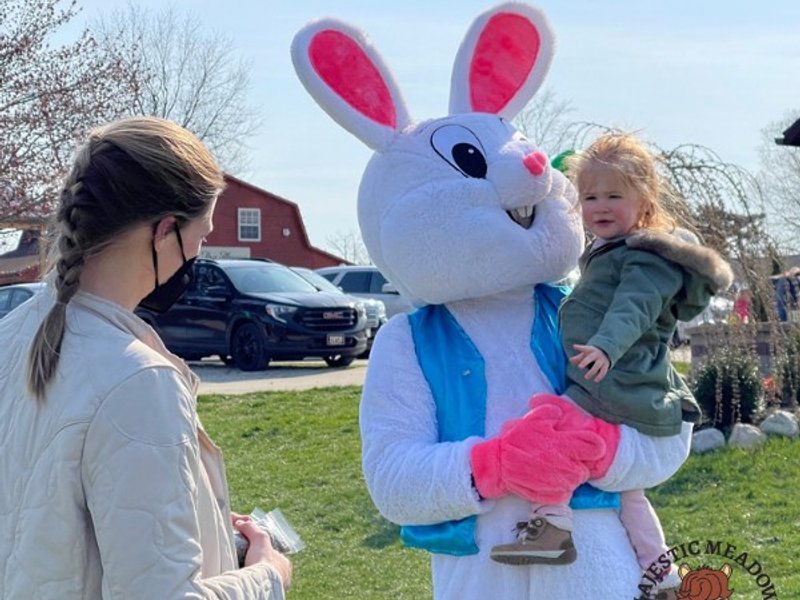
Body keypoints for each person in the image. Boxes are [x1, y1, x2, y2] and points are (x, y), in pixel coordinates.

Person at [0, 117, 291, 599]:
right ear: (166, 231)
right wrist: (268, 575)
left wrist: (206, 524)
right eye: (201, 236)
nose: (199, 254)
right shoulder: (136, 380)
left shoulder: (11, 334)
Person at [489, 133, 732, 593]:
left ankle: (553, 526)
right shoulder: (611, 251)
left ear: (644, 201)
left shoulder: (647, 257)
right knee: (630, 494)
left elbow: (633, 307)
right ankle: (662, 574)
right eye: (590, 196)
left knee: (549, 426)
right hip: (617, 382)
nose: (600, 205)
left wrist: (605, 346)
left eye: (614, 195)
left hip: (619, 383)